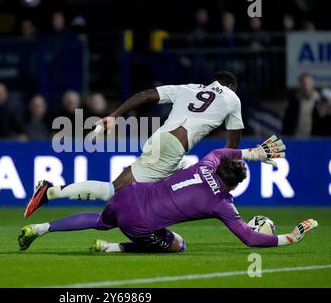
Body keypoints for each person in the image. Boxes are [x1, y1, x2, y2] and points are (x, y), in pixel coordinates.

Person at [18, 137, 318, 253]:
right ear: (235, 187)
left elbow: (222, 150)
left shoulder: (208, 162)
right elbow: (250, 238)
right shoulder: (223, 204)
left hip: (129, 195)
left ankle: (41, 228)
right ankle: (112, 248)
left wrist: (252, 153)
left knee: (99, 219)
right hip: (139, 222)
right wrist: (290, 237)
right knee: (178, 246)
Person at [24, 71, 244, 217]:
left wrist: (115, 114)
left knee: (184, 168)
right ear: (231, 87)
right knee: (113, 191)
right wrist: (231, 170)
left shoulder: (189, 88)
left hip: (159, 141)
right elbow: (232, 146)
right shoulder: (232, 98)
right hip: (172, 150)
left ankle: (51, 192)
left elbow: (146, 95)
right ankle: (50, 192)